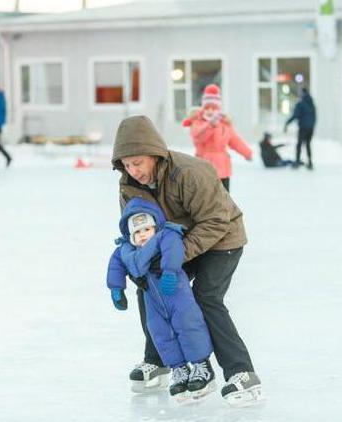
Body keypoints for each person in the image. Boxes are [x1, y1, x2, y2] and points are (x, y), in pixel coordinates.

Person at [111, 115, 263, 406]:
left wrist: (173, 255)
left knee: (205, 298)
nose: (134, 171)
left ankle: (241, 373)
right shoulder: (128, 185)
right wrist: (138, 265)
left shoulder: (191, 172)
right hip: (174, 244)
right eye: (127, 165)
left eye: (138, 163)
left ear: (154, 154)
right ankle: (159, 361)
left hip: (222, 240)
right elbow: (132, 229)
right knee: (150, 289)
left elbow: (216, 221)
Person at [107, 197, 215, 401]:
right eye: (137, 232)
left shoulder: (167, 235)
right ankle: (179, 369)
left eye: (146, 229)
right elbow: (115, 267)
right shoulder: (125, 250)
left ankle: (201, 365)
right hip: (153, 302)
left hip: (176, 292)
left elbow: (173, 251)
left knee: (188, 325)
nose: (142, 235)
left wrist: (170, 272)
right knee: (160, 334)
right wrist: (116, 289)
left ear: (155, 227)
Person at [183, 84, 252, 192]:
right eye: (207, 108)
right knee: (206, 199)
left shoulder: (224, 123)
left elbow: (235, 140)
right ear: (203, 108)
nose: (210, 111)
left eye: (214, 108)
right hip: (204, 167)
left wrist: (247, 153)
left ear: (218, 109)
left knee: (224, 199)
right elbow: (199, 137)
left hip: (223, 168)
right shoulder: (197, 122)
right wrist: (211, 125)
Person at [284, 87, 316, 170]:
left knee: (299, 144)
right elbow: (314, 116)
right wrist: (312, 125)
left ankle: (297, 161)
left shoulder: (301, 104)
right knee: (308, 144)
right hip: (310, 128)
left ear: (302, 93)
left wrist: (287, 123)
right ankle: (310, 162)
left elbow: (295, 115)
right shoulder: (311, 103)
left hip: (303, 127)